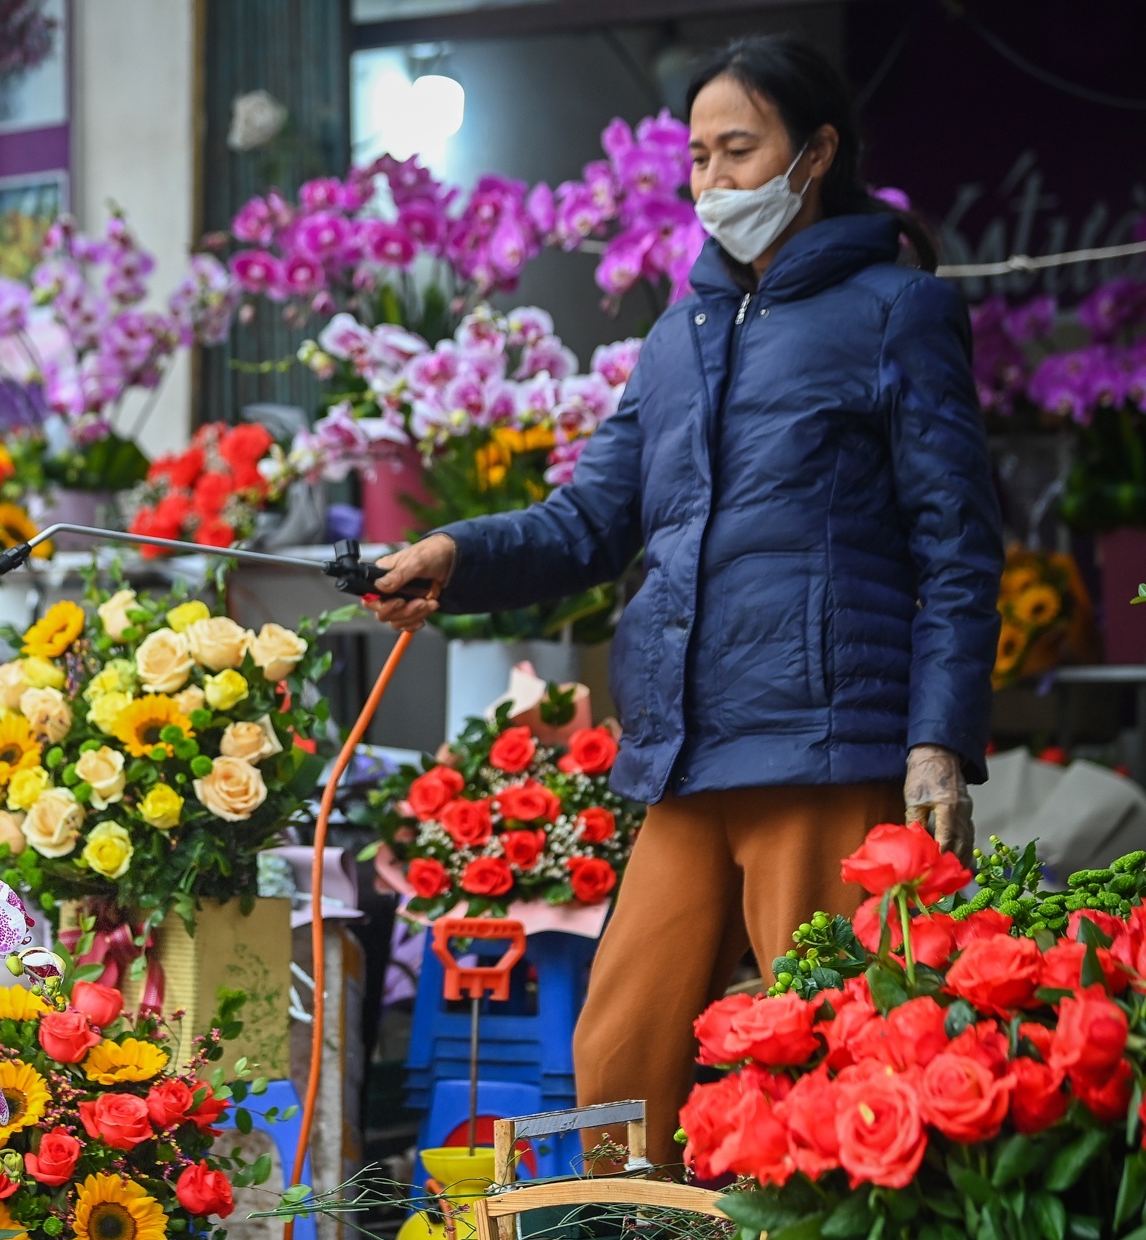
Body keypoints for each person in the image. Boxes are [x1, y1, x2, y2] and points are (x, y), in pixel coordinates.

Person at [367, 35, 1002, 1166]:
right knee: (621, 1057)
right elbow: (586, 525)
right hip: (684, 750)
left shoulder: (897, 310)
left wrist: (937, 742)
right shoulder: (678, 336)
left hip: (822, 742)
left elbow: (958, 544)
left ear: (815, 155)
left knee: (813, 1054)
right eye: (698, 157)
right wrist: (455, 554)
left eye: (739, 150)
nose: (713, 181)